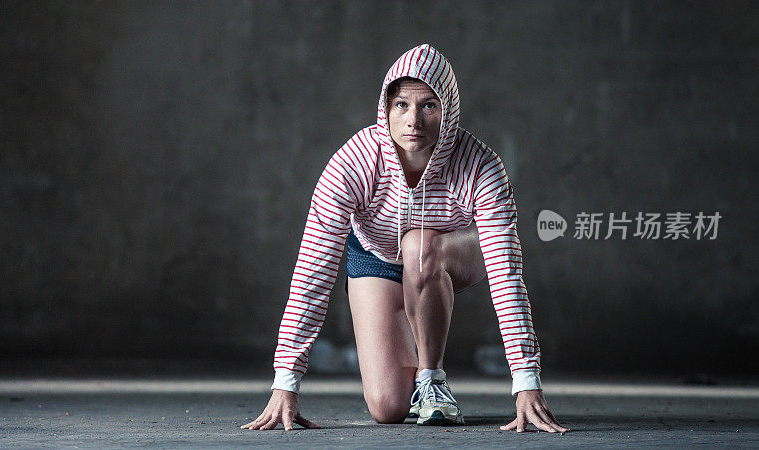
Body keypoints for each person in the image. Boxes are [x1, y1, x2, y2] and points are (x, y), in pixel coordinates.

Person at [241, 44, 567, 433]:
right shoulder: (352, 163)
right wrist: (286, 382)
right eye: (402, 106)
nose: (414, 120)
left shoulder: (480, 165)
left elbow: (506, 273)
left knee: (420, 246)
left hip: (454, 251)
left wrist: (526, 382)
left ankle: (432, 381)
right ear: (386, 109)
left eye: (428, 105)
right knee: (388, 406)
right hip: (376, 256)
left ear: (448, 110)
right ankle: (410, 382)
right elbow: (313, 267)